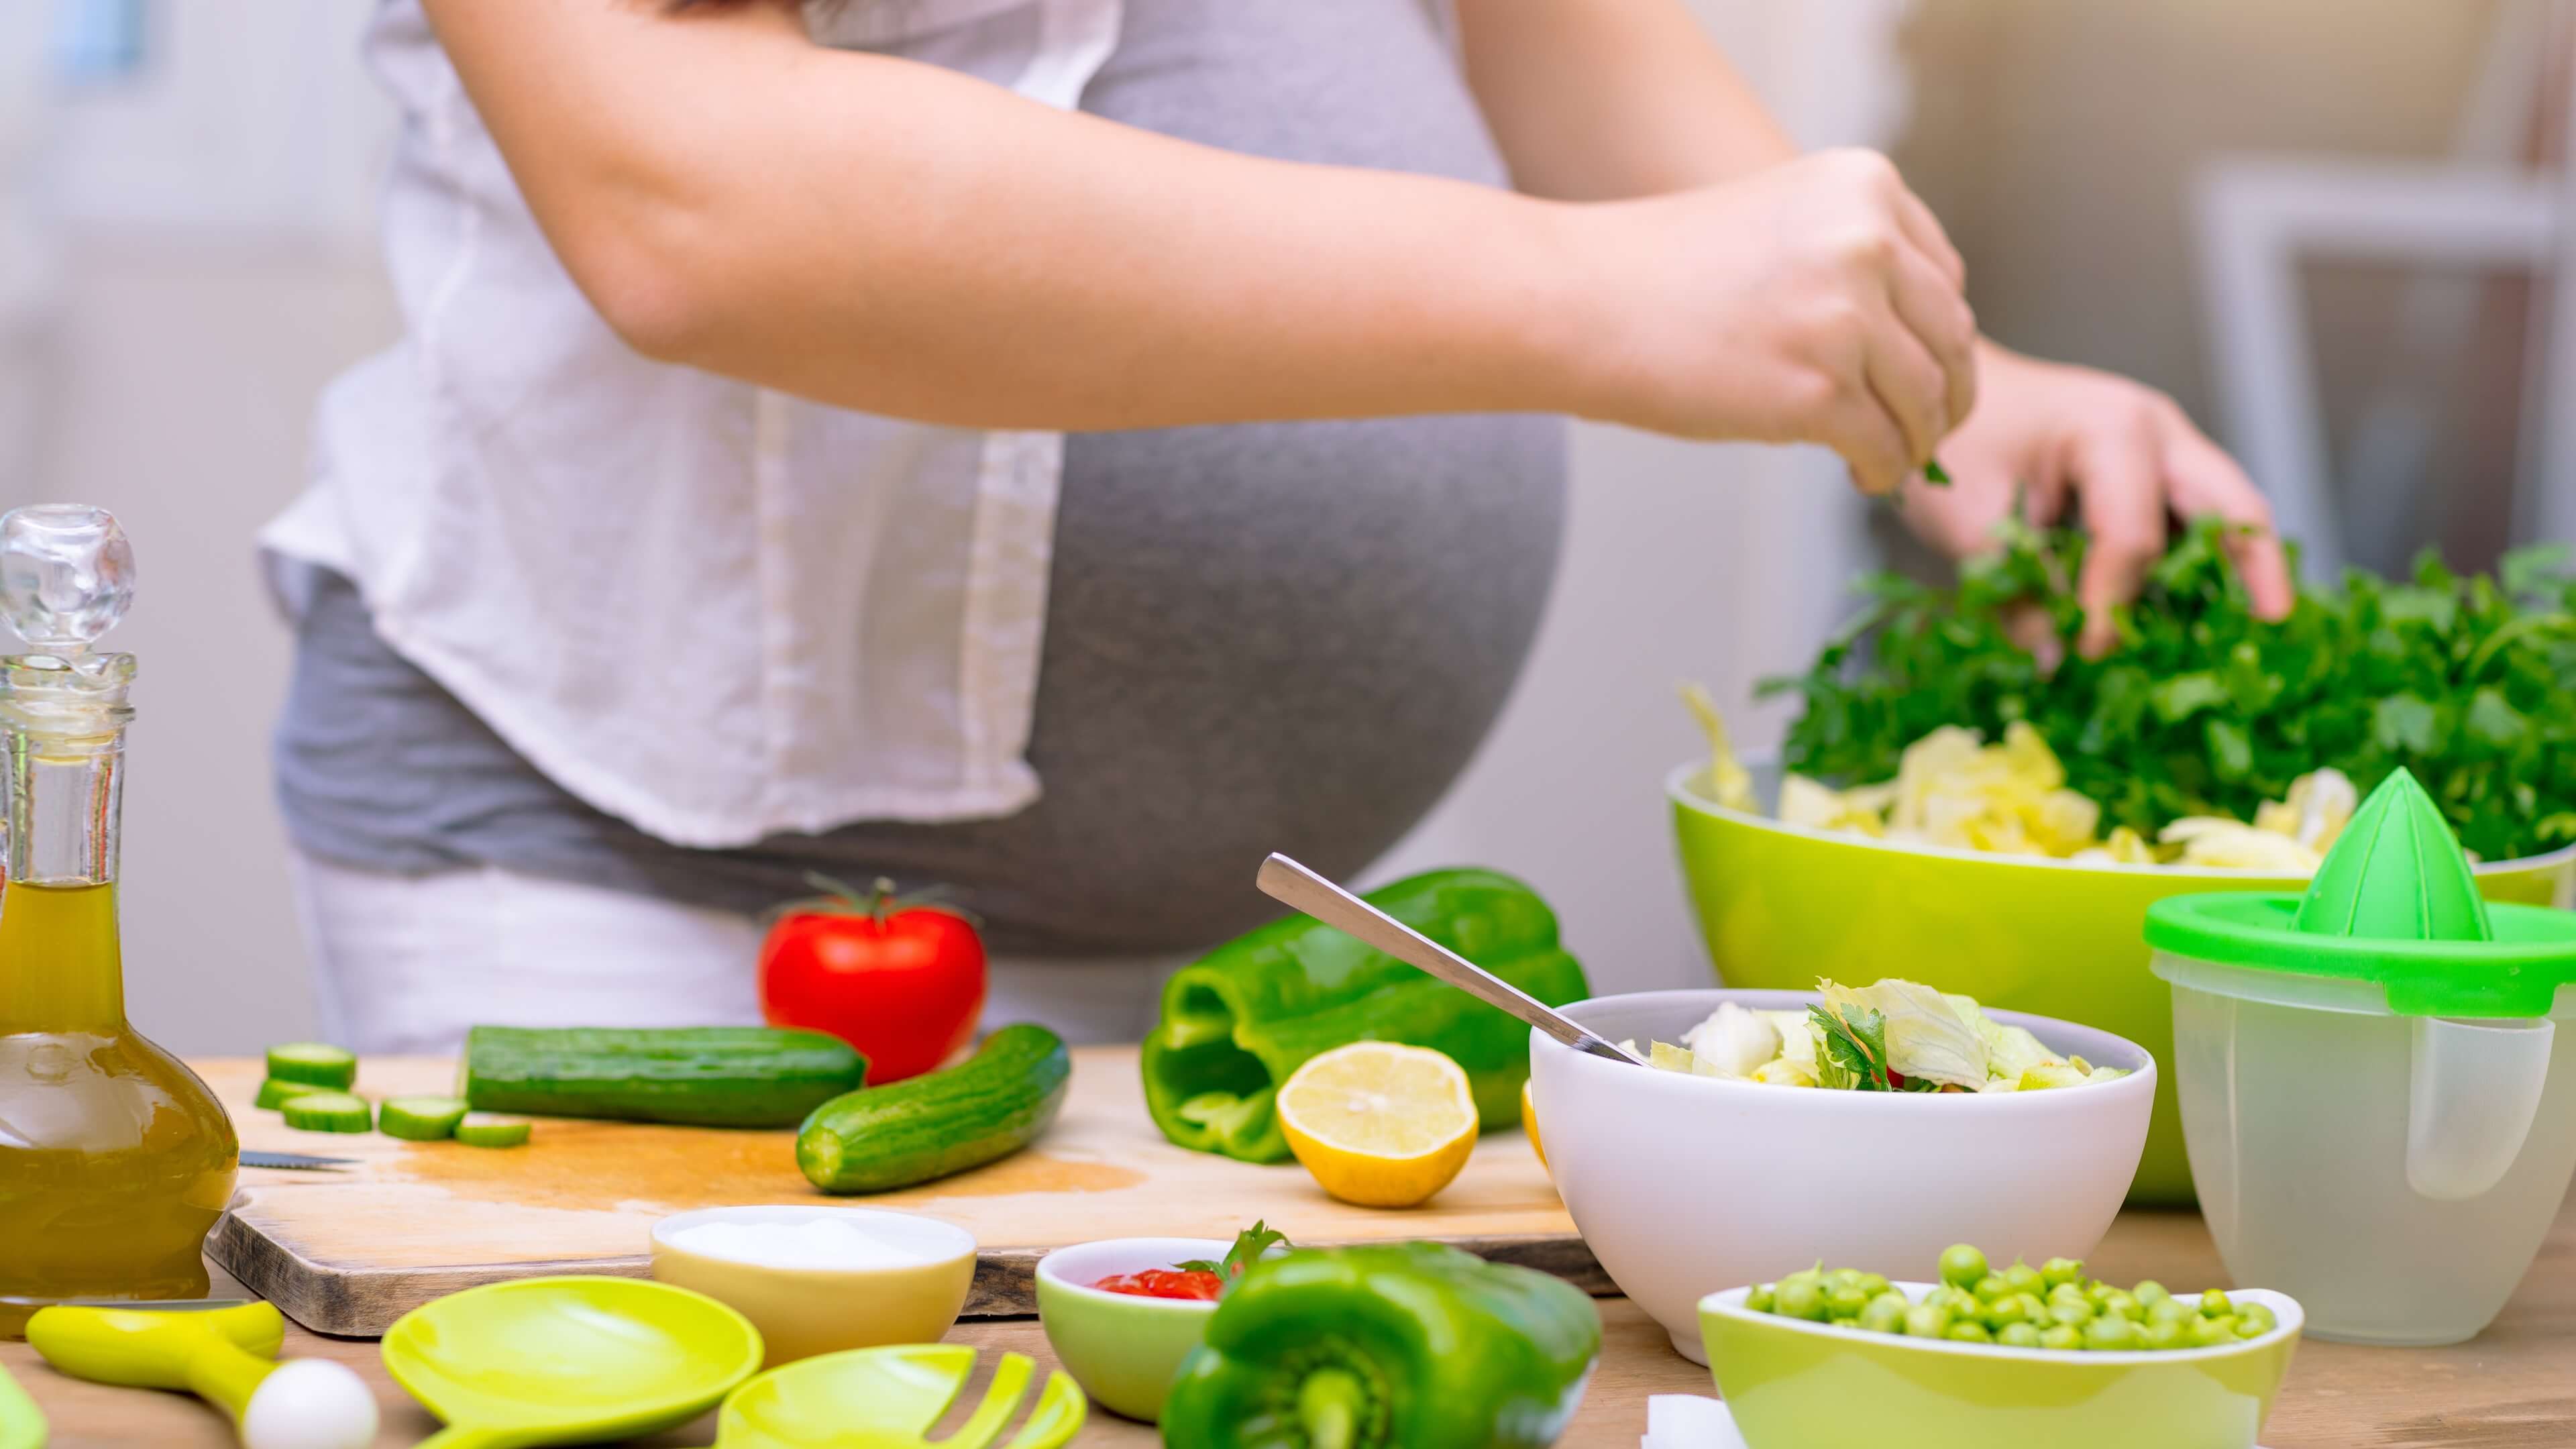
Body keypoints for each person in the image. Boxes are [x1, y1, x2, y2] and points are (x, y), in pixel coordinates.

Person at [264, 0, 2293, 1053]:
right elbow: (681, 189)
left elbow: (1517, 20)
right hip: (677, 915)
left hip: (1230, 961)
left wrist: (1947, 385)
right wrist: (1596, 297)